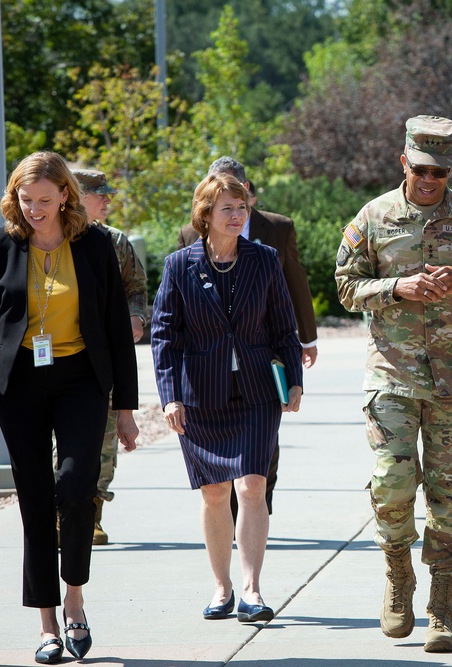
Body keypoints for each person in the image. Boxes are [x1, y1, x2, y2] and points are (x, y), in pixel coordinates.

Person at [335, 115, 452, 653]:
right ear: (404, 161)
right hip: (393, 377)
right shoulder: (374, 217)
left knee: (449, 494)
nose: (432, 180)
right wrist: (396, 287)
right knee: (391, 483)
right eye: (423, 169)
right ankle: (398, 577)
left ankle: (443, 606)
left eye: (442, 171)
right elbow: (344, 286)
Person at [0, 151, 139, 664]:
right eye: (26, 201)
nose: (35, 210)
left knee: (75, 486)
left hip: (81, 380)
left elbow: (115, 330)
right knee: (36, 500)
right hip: (18, 383)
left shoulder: (94, 247)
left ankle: (75, 597)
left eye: (45, 200)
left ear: (66, 194)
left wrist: (126, 408)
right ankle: (47, 621)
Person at [151, 172, 303, 623]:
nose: (237, 216)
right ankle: (222, 588)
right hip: (200, 396)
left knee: (253, 486)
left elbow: (283, 324)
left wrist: (293, 378)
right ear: (206, 215)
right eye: (227, 209)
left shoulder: (264, 259)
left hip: (256, 391)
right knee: (215, 492)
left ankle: (253, 591)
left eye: (242, 207)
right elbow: (163, 335)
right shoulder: (180, 265)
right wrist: (170, 396)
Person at [177, 156, 317, 519]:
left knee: (260, 457)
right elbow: (175, 315)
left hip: (262, 357)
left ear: (247, 191)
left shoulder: (277, 228)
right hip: (210, 369)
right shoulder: (189, 239)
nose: (233, 212)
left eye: (238, 201)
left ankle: (258, 508)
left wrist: (307, 339)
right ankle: (238, 515)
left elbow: (295, 284)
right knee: (220, 477)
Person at [72, 168, 148, 545]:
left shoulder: (114, 242)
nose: (107, 200)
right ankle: (62, 511)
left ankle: (93, 513)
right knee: (59, 440)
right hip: (58, 358)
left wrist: (135, 317)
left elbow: (137, 287)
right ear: (75, 195)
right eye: (99, 194)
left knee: (103, 440)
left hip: (103, 360)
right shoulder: (49, 239)